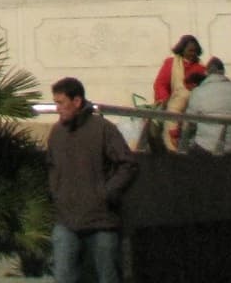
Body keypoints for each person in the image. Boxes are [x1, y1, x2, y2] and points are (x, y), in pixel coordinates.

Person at [46, 77, 138, 283]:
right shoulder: (57, 133)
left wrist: (106, 193)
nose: (57, 108)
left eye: (61, 103)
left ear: (77, 101)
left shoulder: (103, 128)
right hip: (66, 221)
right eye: (55, 103)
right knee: (63, 277)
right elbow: (51, 166)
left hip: (101, 221)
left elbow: (128, 164)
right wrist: (56, 193)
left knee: (107, 277)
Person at [182, 58, 231, 156]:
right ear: (223, 72)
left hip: (206, 148)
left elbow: (189, 121)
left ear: (206, 73)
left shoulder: (198, 92)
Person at [152, 34, 206, 150]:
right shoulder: (171, 63)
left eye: (195, 51)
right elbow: (160, 84)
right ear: (182, 50)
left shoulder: (201, 69)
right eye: (190, 50)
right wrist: (164, 99)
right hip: (172, 106)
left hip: (193, 109)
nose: (193, 54)